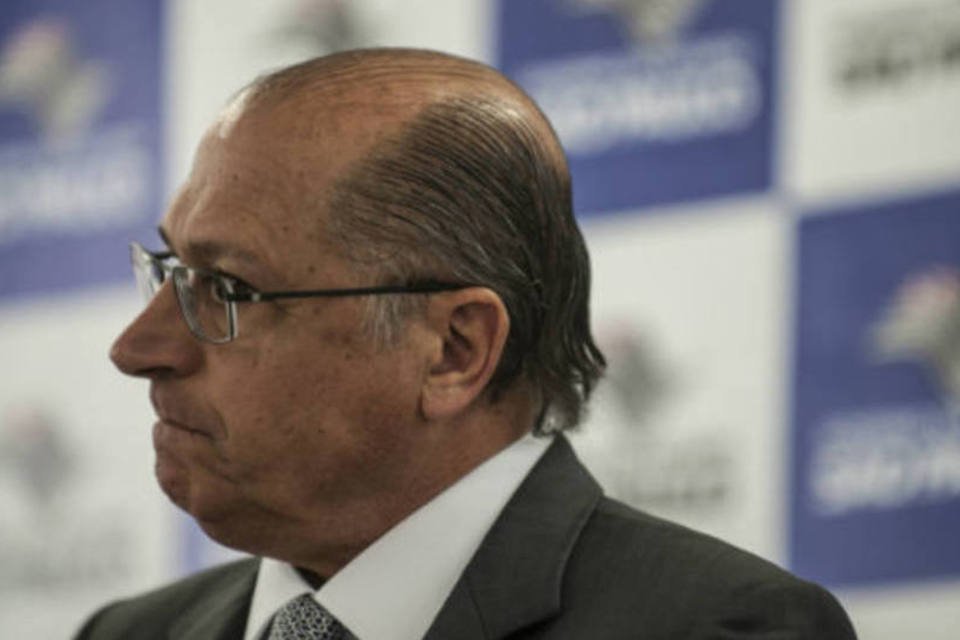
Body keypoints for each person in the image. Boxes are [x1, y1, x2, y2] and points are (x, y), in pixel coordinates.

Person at [75, 48, 857, 640]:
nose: (137, 348)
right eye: (170, 271)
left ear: (453, 351)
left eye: (226, 288)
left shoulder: (720, 628)